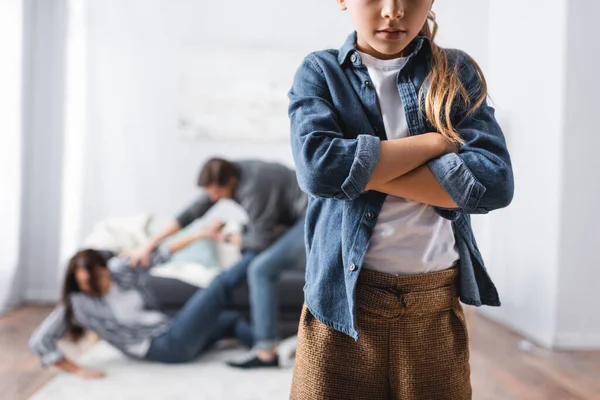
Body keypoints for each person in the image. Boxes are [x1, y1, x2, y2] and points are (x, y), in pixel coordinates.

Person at [287, 1, 514, 399]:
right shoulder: (320, 72)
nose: (393, 11)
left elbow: (493, 184)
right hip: (340, 305)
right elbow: (319, 171)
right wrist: (434, 144)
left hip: (433, 307)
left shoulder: (456, 72)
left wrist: (361, 174)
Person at [128, 158, 307, 368]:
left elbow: (262, 241)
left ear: (230, 182)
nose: (213, 198)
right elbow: (191, 213)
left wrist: (224, 238)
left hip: (312, 217)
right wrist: (149, 245)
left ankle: (266, 353)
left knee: (260, 270)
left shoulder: (254, 188)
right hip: (286, 223)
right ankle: (265, 346)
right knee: (249, 265)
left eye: (216, 193)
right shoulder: (229, 175)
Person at [29, 222, 255, 378]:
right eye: (83, 283)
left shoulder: (120, 270)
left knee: (230, 320)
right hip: (164, 347)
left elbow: (164, 252)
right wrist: (79, 371)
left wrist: (202, 234)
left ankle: (267, 351)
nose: (89, 287)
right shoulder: (78, 304)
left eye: (93, 279)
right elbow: (40, 341)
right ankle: (256, 253)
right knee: (217, 287)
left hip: (173, 331)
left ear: (104, 269)